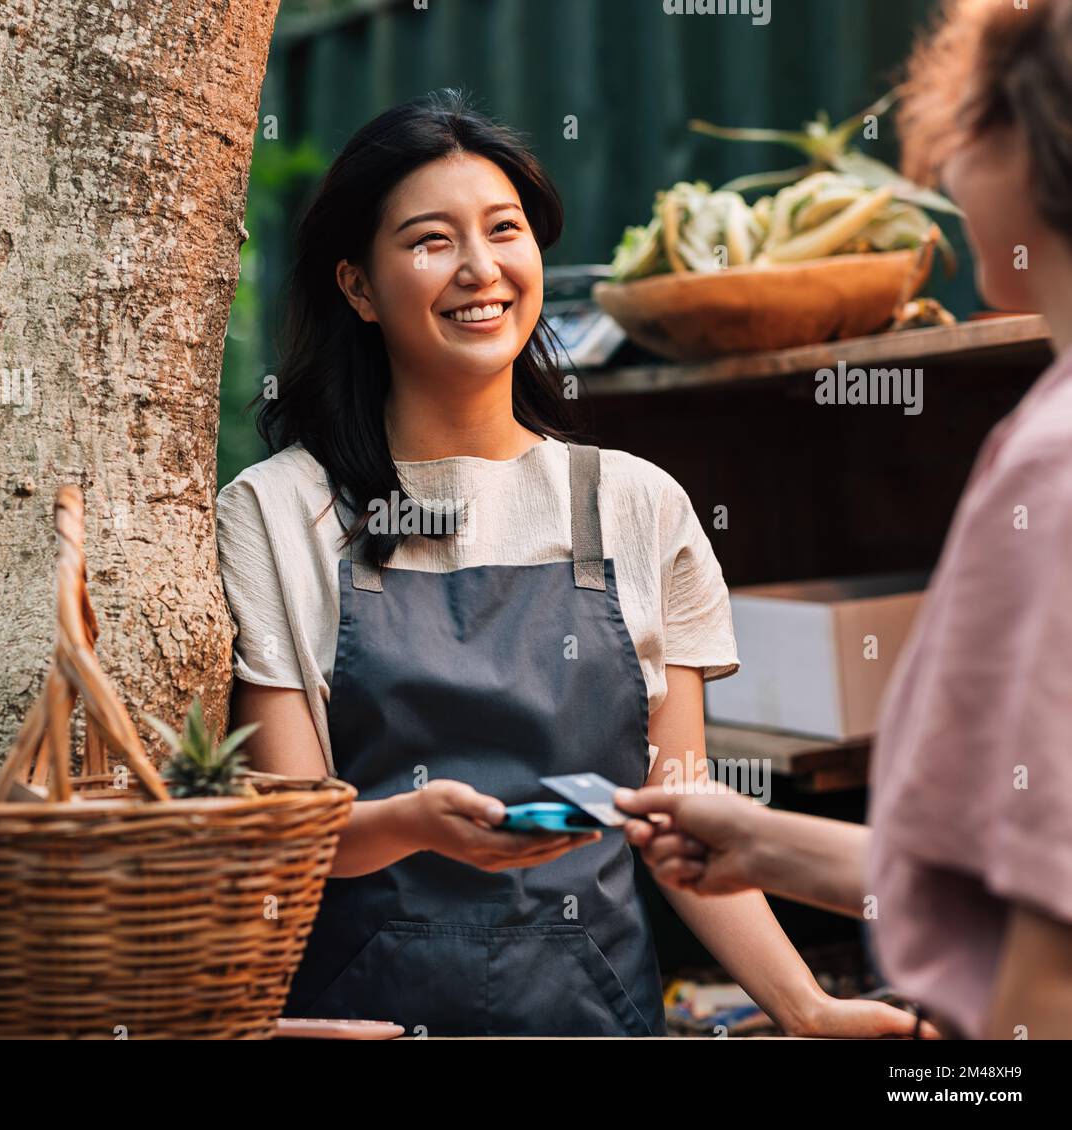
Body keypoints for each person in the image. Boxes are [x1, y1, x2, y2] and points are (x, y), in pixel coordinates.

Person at [215, 89, 920, 1037]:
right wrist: (413, 825)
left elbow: (680, 811)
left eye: (503, 230)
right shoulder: (276, 511)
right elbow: (289, 834)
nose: (479, 269)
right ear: (356, 287)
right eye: (430, 241)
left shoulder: (636, 504)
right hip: (362, 1023)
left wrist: (807, 1009)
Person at [618, 0, 1072, 1041]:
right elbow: (1016, 867)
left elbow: (1044, 964)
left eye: (972, 120)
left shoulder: (1050, 464)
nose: (939, 172)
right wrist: (763, 842)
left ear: (1035, 143)